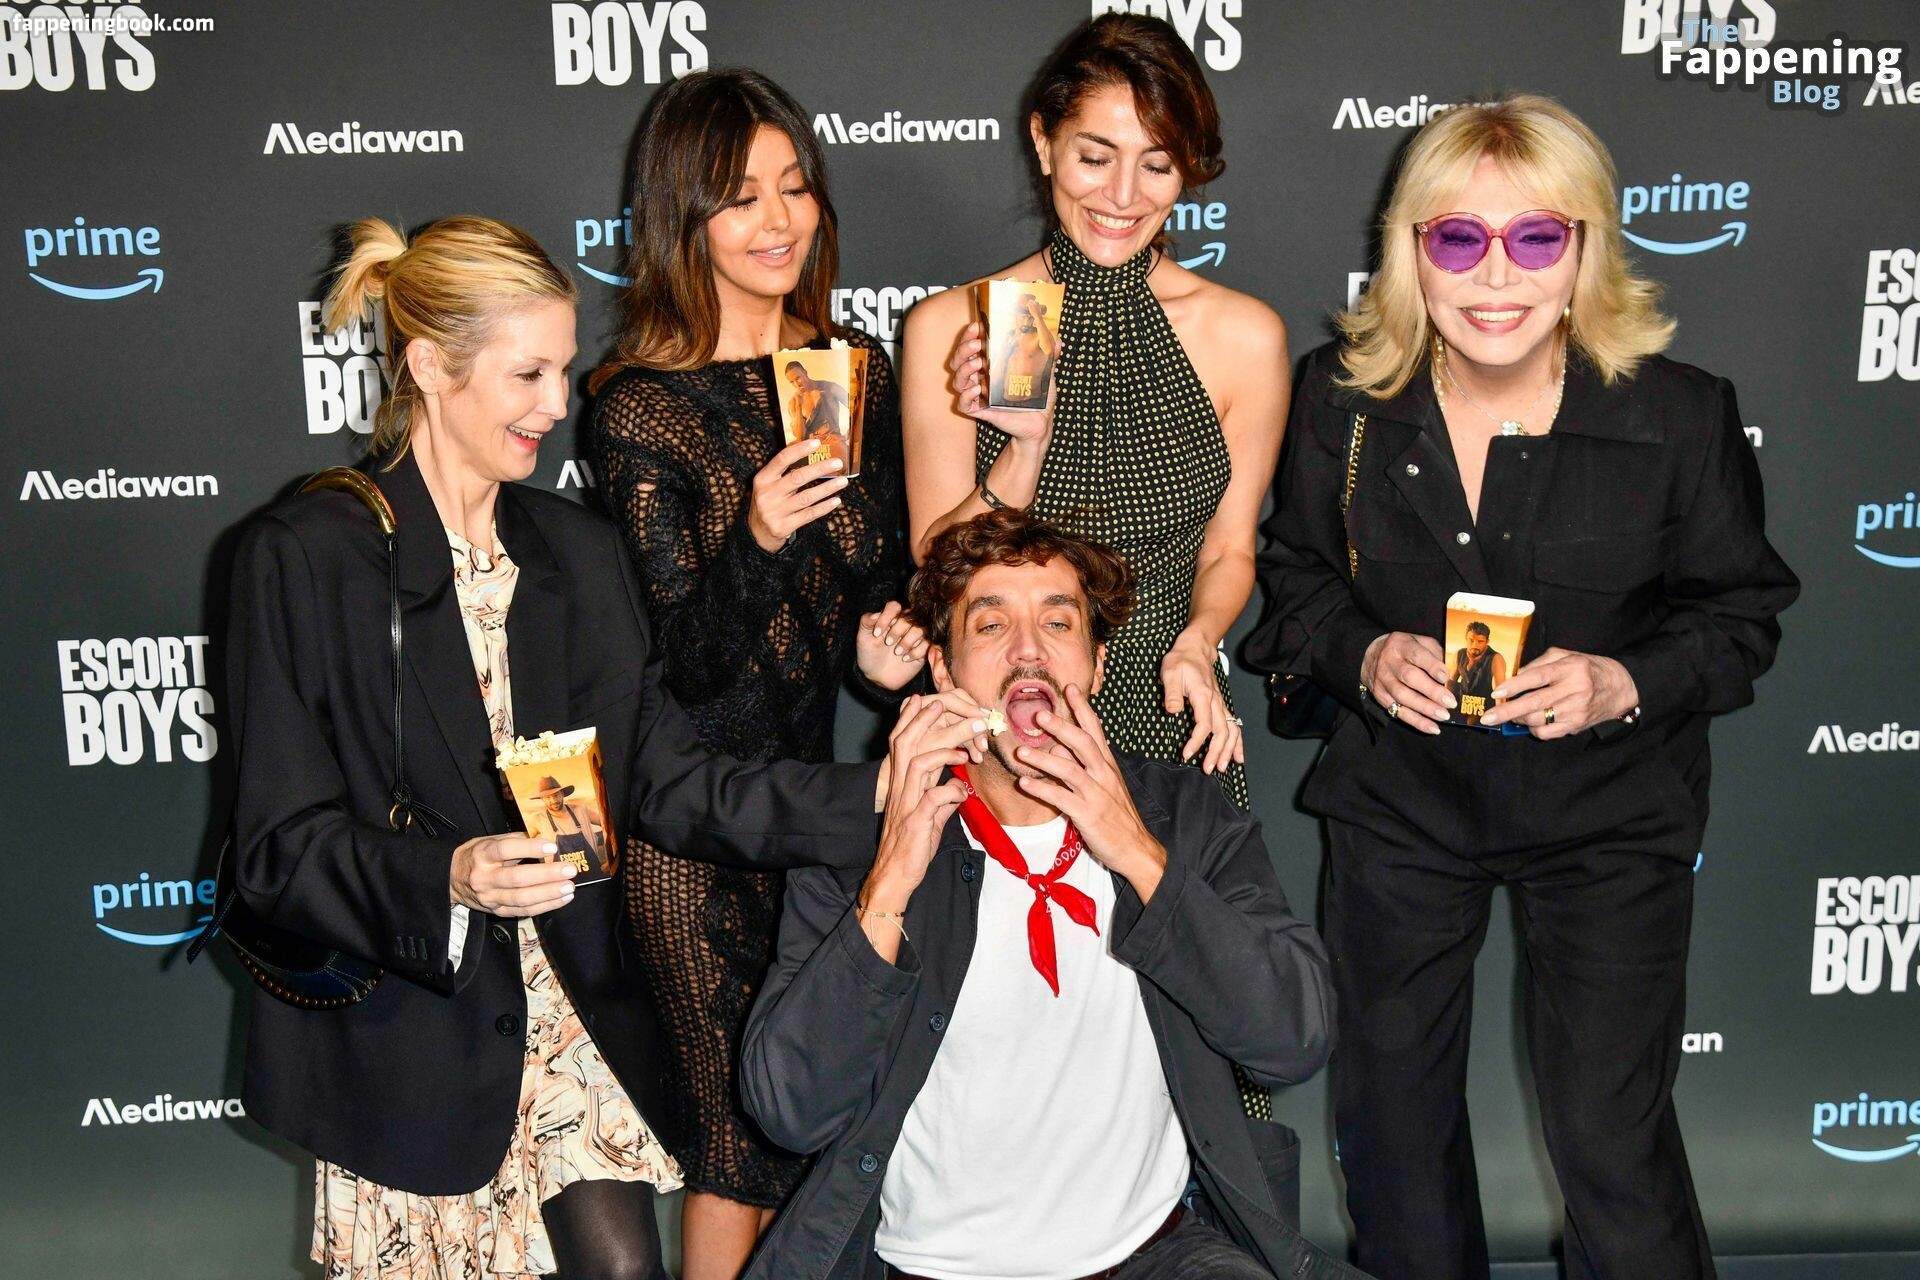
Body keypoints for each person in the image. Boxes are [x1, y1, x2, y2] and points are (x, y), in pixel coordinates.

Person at [228, 215, 978, 1280]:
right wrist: (451, 874)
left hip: (572, 1006)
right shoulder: (306, 557)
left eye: (563, 370)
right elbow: (276, 847)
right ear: (430, 366)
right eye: (526, 374)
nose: (555, 404)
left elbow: (671, 780)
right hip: (409, 1028)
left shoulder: (577, 553)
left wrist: (878, 793)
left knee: (625, 1267)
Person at [1247, 94, 1798, 1280]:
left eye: (1536, 236)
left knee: (1610, 1139)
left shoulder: (1679, 411)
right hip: (1402, 806)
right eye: (1459, 238)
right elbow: (1293, 579)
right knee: (1392, 1136)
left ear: (1584, 248)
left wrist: (1623, 680)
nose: (1496, 273)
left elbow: (1740, 616)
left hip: (1609, 813)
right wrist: (1362, 654)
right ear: (1412, 251)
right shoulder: (1341, 399)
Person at [739, 510, 1364, 1280]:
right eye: (990, 624)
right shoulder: (860, 846)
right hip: (931, 1270)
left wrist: (1137, 853)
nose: (1028, 650)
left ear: (1096, 666)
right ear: (944, 673)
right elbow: (789, 1112)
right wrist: (889, 885)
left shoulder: (1184, 816)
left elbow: (1293, 1039)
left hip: (1158, 1255)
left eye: (1058, 623)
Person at [587, 68, 922, 1280]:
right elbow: (689, 668)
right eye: (740, 197)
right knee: (734, 1140)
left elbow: (884, 575)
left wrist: (882, 654)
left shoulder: (853, 366)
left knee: (810, 1124)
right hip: (689, 831)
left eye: (795, 187)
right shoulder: (640, 410)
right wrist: (761, 535)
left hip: (817, 816)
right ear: (685, 217)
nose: (779, 221)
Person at [902, 12, 1288, 810]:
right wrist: (1023, 448)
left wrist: (1198, 642)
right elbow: (937, 564)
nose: (1123, 195)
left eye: (1157, 164)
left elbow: (1229, 550)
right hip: (1004, 729)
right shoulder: (956, 324)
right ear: (1043, 142)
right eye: (1095, 156)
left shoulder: (1244, 336)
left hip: (1169, 708)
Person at [531, 775, 610, 874]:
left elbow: (610, 824)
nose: (553, 801)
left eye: (556, 795)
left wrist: (610, 860)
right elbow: (526, 847)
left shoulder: (582, 810)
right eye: (548, 797)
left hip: (593, 874)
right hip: (560, 878)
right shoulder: (538, 819)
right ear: (542, 799)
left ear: (562, 794)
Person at [992, 292, 1057, 406]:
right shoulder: (1006, 338)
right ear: (1015, 315)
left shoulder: (1040, 336)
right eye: (1023, 317)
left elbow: (1050, 350)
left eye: (1030, 318)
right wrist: (1002, 354)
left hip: (1032, 401)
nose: (1026, 322)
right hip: (1006, 401)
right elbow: (995, 378)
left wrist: (1038, 316)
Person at [783, 360, 852, 467]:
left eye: (798, 378)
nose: (796, 384)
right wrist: (798, 405)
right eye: (792, 382)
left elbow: (857, 408)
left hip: (831, 441)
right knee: (786, 461)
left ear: (805, 372)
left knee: (841, 464)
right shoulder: (793, 402)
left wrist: (847, 435)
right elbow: (800, 436)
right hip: (808, 444)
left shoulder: (830, 388)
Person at [1447, 621, 1506, 711]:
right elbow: (1450, 684)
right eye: (1471, 640)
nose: (1475, 645)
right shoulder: (1459, 655)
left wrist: (1499, 716)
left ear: (1487, 642)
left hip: (1485, 710)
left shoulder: (1495, 659)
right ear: (1466, 639)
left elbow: (1500, 695)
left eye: (1480, 641)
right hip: (1461, 706)